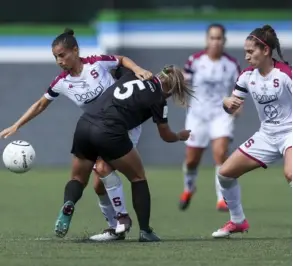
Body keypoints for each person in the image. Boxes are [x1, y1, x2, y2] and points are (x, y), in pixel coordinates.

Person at [0, 28, 153, 241]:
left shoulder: (97, 63)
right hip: (100, 129)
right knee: (99, 183)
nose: (59, 61)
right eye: (55, 57)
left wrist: (139, 69)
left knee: (102, 171)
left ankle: (121, 220)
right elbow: (40, 104)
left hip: (125, 127)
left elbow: (121, 59)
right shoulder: (62, 81)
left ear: (75, 50)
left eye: (62, 55)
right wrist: (17, 125)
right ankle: (114, 227)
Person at [56, 65, 192, 241]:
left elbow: (118, 64)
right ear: (171, 87)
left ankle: (70, 204)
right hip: (109, 130)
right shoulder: (158, 98)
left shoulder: (131, 74)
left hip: (85, 123)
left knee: (79, 179)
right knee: (138, 177)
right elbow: (165, 135)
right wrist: (179, 136)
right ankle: (144, 231)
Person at [212, 24, 291, 238]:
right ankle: (237, 221)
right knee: (225, 174)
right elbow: (231, 106)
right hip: (266, 135)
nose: (246, 57)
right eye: (245, 52)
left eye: (250, 51)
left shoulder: (285, 74)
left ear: (265, 50)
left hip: (290, 134)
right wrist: (227, 102)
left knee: (290, 173)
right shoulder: (247, 76)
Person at [179, 24, 241, 211]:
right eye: (212, 38)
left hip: (221, 115)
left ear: (224, 40)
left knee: (221, 153)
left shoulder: (231, 64)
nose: (215, 42)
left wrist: (237, 105)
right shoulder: (195, 61)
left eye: (219, 38)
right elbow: (183, 81)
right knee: (191, 160)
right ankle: (189, 188)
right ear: (207, 40)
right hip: (197, 116)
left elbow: (239, 90)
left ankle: (221, 198)